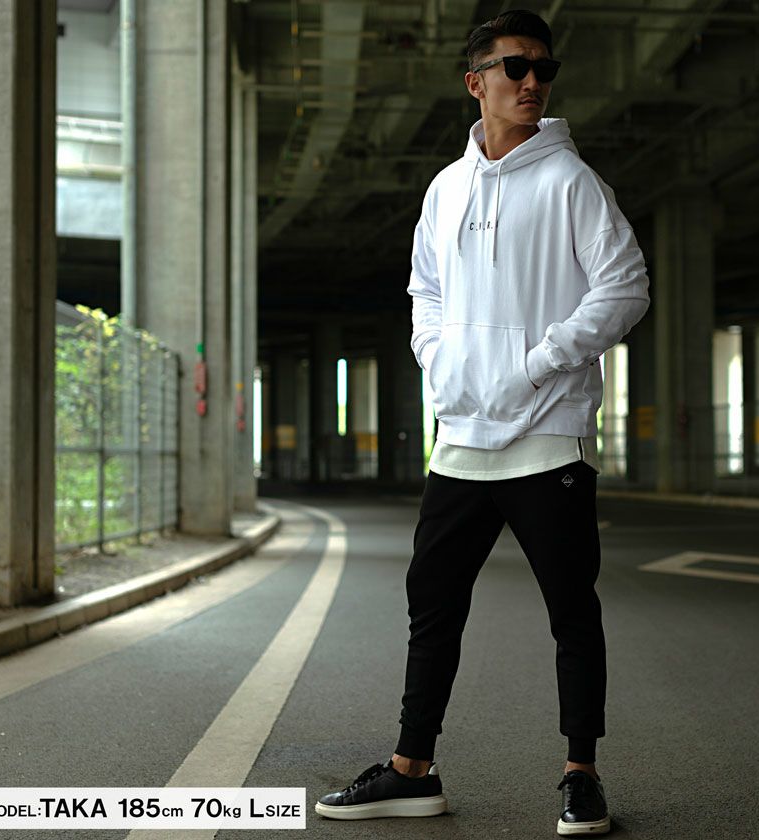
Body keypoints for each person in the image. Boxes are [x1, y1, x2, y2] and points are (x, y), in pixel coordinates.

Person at [315, 9, 650, 836]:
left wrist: (538, 362)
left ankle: (581, 776)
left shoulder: (571, 182)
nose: (533, 82)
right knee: (431, 608)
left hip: (547, 434)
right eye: (515, 67)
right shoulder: (445, 188)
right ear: (476, 82)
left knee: (571, 612)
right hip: (461, 439)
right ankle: (411, 771)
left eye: (544, 69)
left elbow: (625, 287)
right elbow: (424, 290)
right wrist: (439, 359)